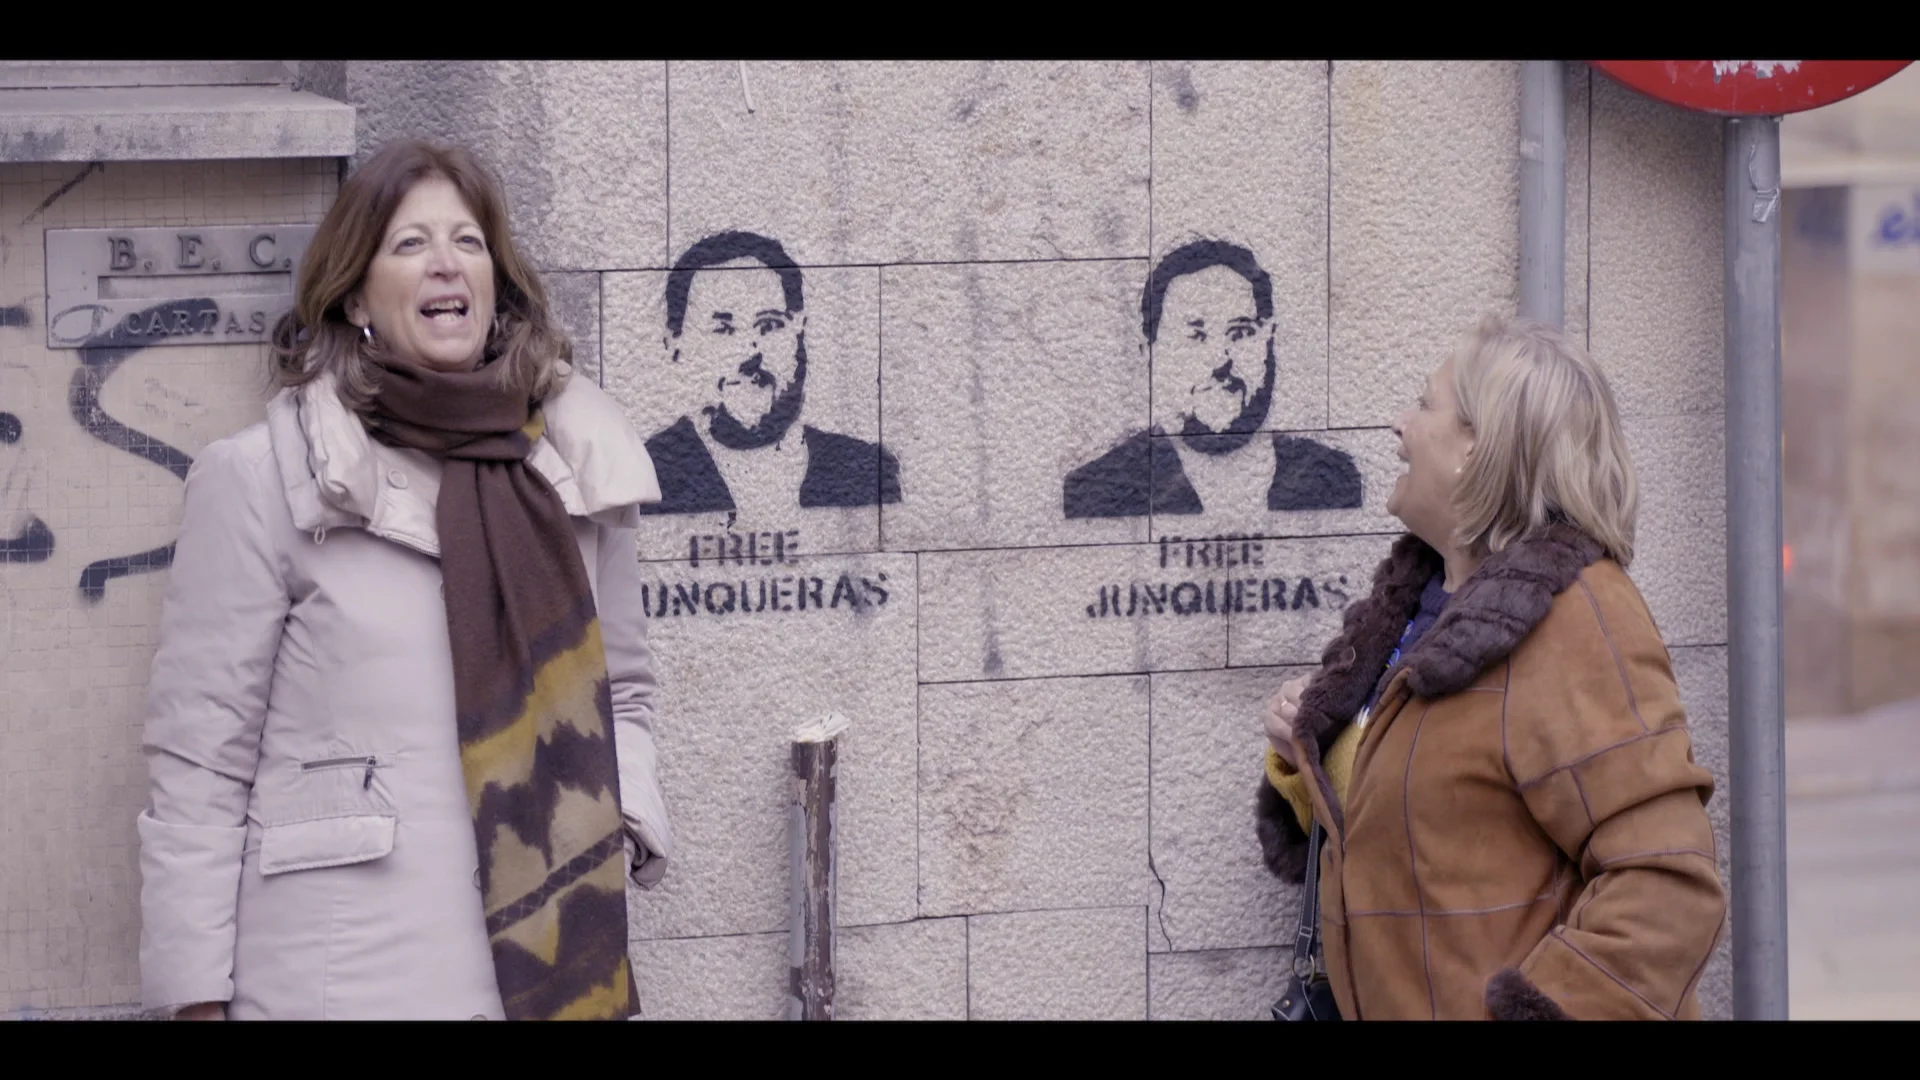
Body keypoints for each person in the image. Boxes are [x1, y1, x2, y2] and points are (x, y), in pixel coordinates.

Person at [135, 139, 674, 1021]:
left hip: (554, 973)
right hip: (343, 977)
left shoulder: (578, 471)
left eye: (467, 241)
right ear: (355, 295)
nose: (446, 263)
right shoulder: (264, 478)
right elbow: (200, 762)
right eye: (410, 243)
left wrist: (615, 826)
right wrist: (193, 997)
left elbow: (629, 694)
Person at [1256, 313, 1726, 1020]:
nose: (1398, 424)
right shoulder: (1420, 607)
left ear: (1479, 447)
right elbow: (1416, 825)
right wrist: (1302, 761)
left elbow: (1665, 884)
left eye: (1422, 403)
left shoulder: (1579, 619)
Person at [1063, 239, 1361, 519]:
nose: (1220, 360)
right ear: (1149, 353)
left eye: (1241, 332)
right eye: (1196, 335)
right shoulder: (1096, 490)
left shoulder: (1335, 478)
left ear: (1269, 341)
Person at [642, 230, 901, 517]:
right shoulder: (643, 475)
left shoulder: (868, 471)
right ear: (675, 344)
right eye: (723, 329)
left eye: (769, 325)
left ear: (799, 329)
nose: (750, 353)